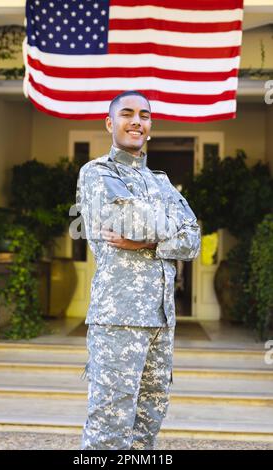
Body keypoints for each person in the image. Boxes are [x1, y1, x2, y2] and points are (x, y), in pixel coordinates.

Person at [76, 90, 201, 450]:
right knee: (110, 423)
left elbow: (192, 240)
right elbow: (131, 223)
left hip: (161, 320)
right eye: (127, 113)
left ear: (150, 125)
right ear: (109, 122)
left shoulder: (161, 182)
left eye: (144, 115)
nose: (136, 121)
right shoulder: (98, 173)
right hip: (120, 319)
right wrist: (160, 231)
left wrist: (149, 243)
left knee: (149, 418)